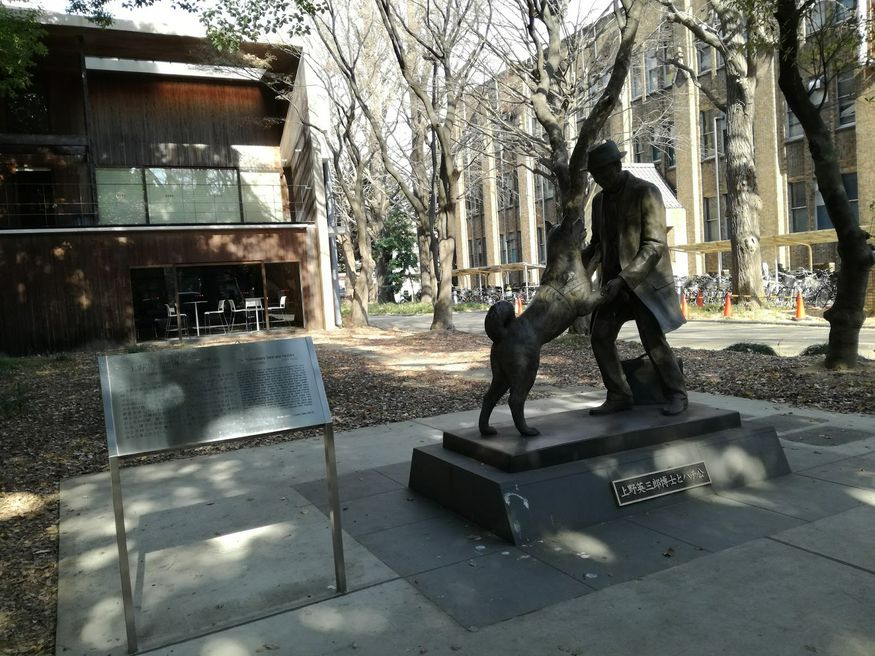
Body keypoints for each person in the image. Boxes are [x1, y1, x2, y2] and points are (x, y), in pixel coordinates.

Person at [580, 139, 688, 416]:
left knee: (652, 339)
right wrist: (577, 264)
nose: (600, 180)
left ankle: (677, 393)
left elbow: (654, 245)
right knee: (600, 336)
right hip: (613, 286)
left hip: (643, 284)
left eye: (603, 173)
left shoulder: (646, 192)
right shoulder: (599, 201)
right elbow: (597, 244)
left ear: (617, 165)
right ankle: (619, 394)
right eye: (596, 175)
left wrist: (626, 278)